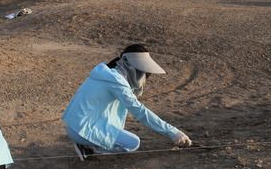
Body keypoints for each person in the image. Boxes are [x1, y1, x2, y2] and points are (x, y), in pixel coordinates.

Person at [62, 44, 192, 161]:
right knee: (132, 143)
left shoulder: (107, 74)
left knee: (118, 131)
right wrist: (173, 132)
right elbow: (140, 112)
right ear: (132, 68)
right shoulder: (117, 81)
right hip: (80, 130)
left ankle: (86, 143)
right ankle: (88, 148)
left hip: (74, 125)